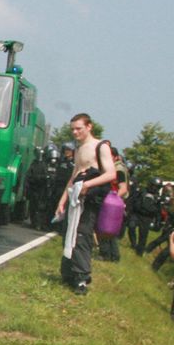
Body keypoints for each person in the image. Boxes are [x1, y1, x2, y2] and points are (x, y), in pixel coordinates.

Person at [54, 114, 116, 295]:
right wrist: (62, 201)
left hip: (89, 199)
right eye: (72, 129)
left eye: (78, 128)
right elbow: (73, 176)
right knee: (68, 233)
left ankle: (81, 278)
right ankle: (68, 273)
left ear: (89, 127)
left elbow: (111, 174)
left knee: (81, 234)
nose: (75, 132)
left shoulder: (101, 146)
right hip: (75, 197)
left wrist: (88, 185)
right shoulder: (79, 149)